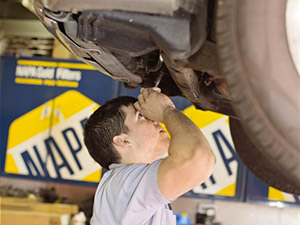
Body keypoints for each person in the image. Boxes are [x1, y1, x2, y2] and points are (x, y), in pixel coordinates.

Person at [84, 87, 215, 225]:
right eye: (140, 116)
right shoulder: (126, 184)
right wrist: (165, 110)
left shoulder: (123, 184)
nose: (154, 120)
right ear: (122, 141)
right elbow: (197, 159)